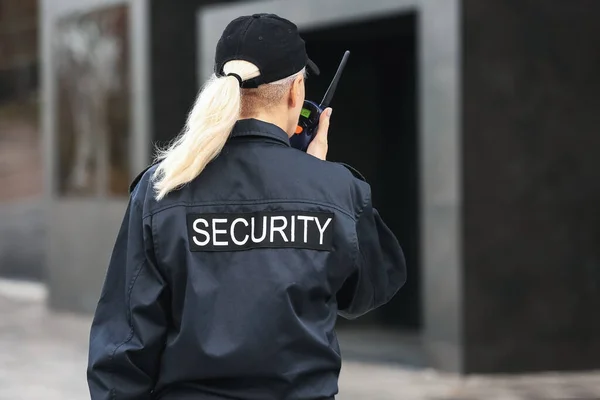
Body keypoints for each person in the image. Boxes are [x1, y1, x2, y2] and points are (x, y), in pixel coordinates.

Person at [87, 13, 406, 400]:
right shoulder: (337, 189)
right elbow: (367, 292)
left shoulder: (162, 187)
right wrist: (319, 182)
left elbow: (122, 347)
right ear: (296, 92)